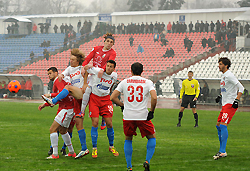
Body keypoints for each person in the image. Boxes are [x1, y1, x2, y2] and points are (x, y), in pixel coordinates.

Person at [41, 49, 90, 159]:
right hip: (76, 100)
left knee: (67, 88)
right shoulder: (69, 69)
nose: (70, 61)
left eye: (73, 59)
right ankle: (82, 149)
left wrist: (86, 79)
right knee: (75, 125)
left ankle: (55, 154)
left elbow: (88, 65)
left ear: (78, 61)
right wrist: (61, 75)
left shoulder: (82, 67)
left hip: (82, 93)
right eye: (70, 59)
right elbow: (63, 74)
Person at [110, 62, 157, 171]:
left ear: (130, 71)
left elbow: (112, 97)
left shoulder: (124, 82)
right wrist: (152, 111)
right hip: (142, 115)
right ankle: (147, 161)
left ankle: (129, 167)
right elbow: (154, 97)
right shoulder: (147, 82)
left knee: (128, 139)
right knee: (151, 137)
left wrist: (122, 105)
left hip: (128, 115)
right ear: (142, 71)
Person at [84, 60, 119, 158]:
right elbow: (86, 68)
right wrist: (85, 82)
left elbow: (111, 85)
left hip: (106, 100)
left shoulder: (114, 76)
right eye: (107, 66)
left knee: (110, 124)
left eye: (110, 66)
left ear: (113, 68)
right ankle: (94, 148)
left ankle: (111, 146)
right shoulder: (97, 70)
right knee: (95, 123)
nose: (108, 68)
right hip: (95, 99)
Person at [39, 67, 76, 159]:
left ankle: (55, 154)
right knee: (63, 131)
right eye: (48, 74)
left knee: (52, 129)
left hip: (66, 108)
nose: (49, 76)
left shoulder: (57, 81)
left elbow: (63, 94)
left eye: (50, 73)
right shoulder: (62, 80)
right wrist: (46, 104)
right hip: (70, 108)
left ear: (56, 73)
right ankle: (71, 152)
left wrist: (50, 95)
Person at [213, 57, 244, 160]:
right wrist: (220, 96)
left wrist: (237, 100)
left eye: (220, 64)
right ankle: (222, 150)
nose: (219, 65)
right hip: (225, 104)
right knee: (218, 125)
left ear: (226, 65)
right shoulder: (223, 76)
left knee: (222, 125)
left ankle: (222, 151)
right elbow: (226, 89)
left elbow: (241, 88)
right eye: (219, 64)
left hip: (230, 104)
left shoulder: (230, 75)